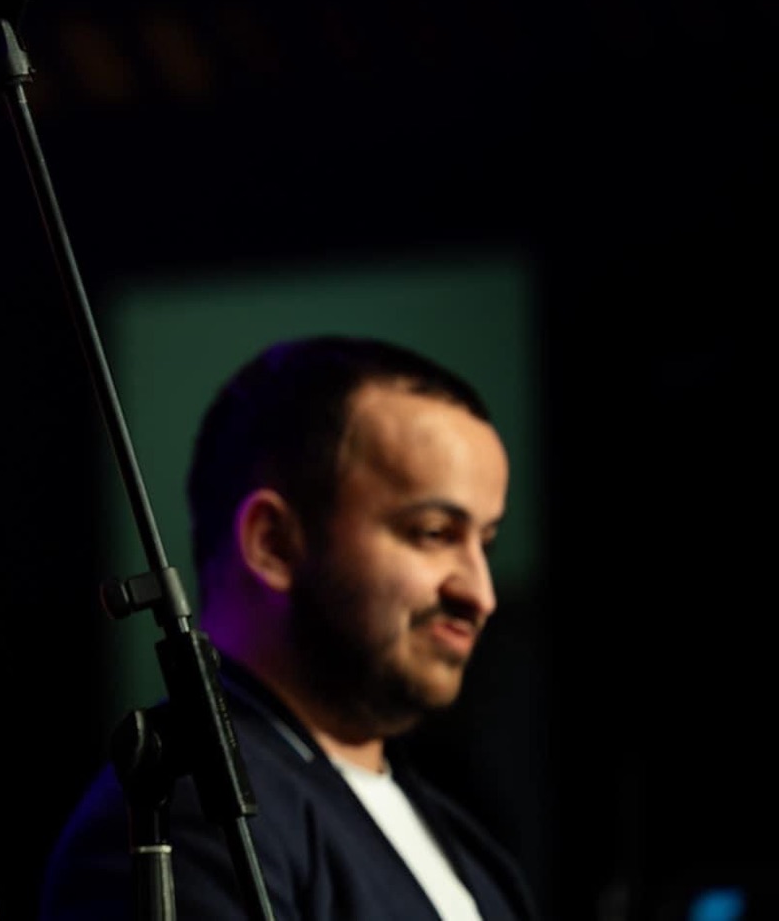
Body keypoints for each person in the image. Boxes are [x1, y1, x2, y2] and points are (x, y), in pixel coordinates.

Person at [41, 336, 539, 920]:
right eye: (433, 533)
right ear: (273, 543)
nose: (480, 595)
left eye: (485, 543)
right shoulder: (185, 818)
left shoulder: (454, 828)